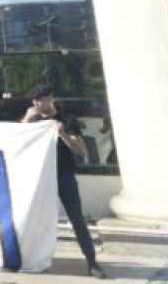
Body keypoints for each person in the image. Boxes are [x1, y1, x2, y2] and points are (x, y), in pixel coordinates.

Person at [26, 85, 106, 278]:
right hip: (41, 177)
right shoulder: (33, 120)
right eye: (35, 101)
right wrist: (26, 120)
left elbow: (81, 151)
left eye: (41, 99)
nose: (37, 104)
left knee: (76, 219)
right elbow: (19, 140)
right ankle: (31, 260)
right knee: (33, 218)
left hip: (64, 175)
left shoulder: (67, 119)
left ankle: (92, 262)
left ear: (50, 99)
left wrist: (62, 133)